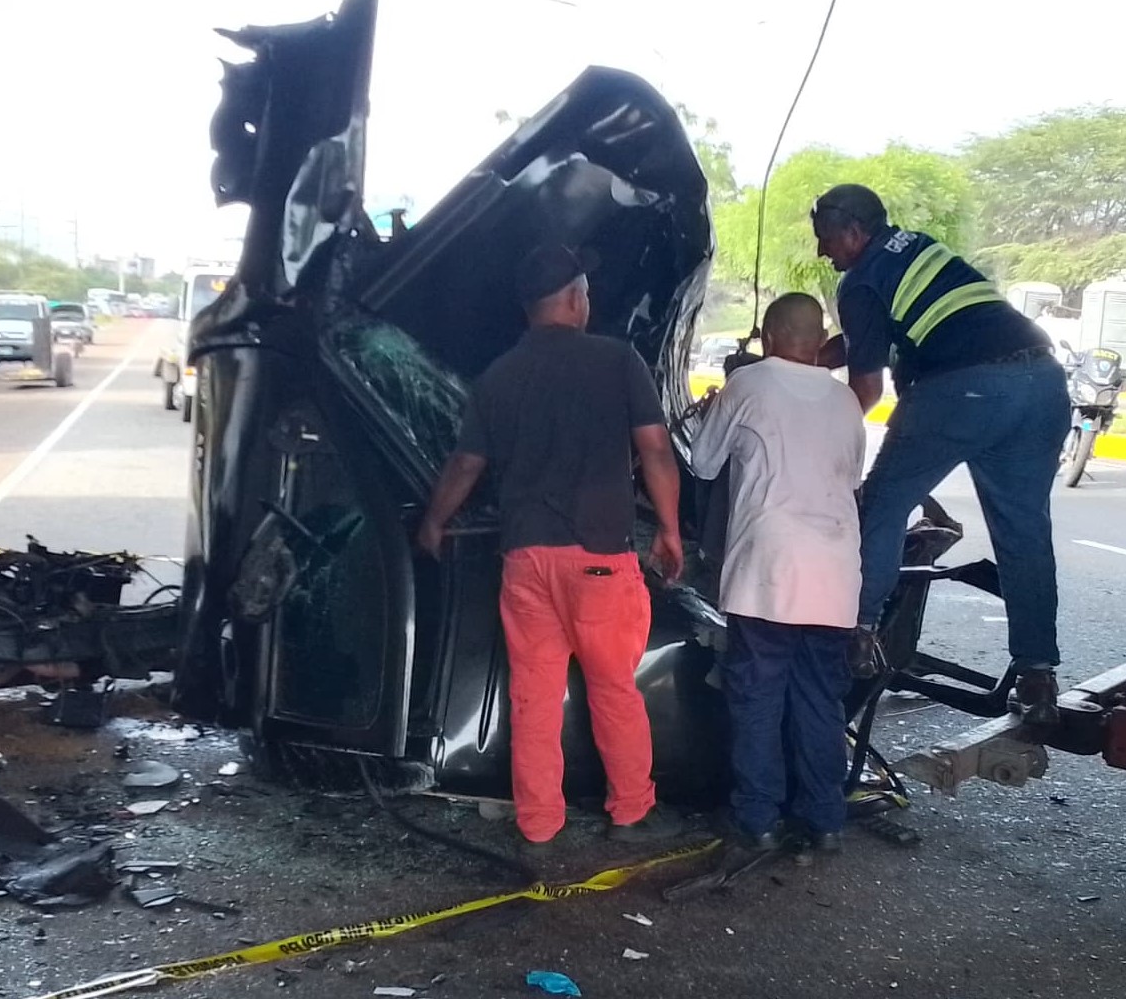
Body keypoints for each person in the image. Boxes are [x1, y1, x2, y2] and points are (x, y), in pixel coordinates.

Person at [418, 244, 686, 845]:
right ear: (573, 298)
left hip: (525, 561)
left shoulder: (498, 375)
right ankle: (631, 812)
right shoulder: (617, 362)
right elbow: (656, 451)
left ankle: (539, 823)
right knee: (613, 688)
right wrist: (668, 529)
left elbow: (465, 465)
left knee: (533, 696)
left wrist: (435, 521)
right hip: (597, 559)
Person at [811, 184, 1069, 724]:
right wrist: (803, 355)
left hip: (962, 391)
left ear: (854, 232)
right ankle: (1038, 675)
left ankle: (859, 635)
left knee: (881, 505)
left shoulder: (860, 282)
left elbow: (867, 389)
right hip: (1043, 384)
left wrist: (814, 436)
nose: (821, 252)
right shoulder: (912, 248)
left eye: (826, 239)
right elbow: (867, 338)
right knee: (1024, 533)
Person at [691, 293, 864, 854]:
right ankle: (825, 820)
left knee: (758, 697)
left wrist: (712, 411)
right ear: (819, 343)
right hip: (836, 575)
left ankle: (757, 819)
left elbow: (702, 462)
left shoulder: (747, 385)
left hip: (767, 572)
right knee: (820, 699)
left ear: (767, 337)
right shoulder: (845, 402)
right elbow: (851, 477)